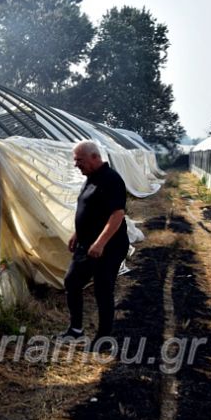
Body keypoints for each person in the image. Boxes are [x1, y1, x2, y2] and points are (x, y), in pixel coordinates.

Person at [60, 140, 129, 343]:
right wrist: (77, 234)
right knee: (72, 281)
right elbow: (89, 210)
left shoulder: (111, 179)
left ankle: (103, 338)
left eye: (79, 160)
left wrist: (100, 243)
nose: (76, 164)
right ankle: (76, 330)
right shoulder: (90, 178)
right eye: (75, 160)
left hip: (109, 246)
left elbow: (117, 214)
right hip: (86, 244)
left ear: (95, 157)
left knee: (103, 289)